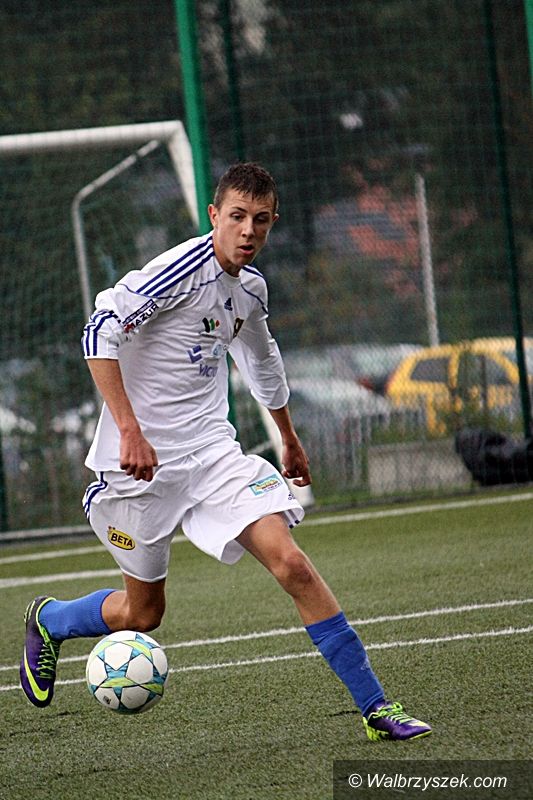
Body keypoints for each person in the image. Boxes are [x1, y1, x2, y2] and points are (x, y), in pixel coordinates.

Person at [20, 162, 431, 741]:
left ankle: (377, 708)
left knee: (292, 565)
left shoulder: (251, 290)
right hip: (140, 468)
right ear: (214, 215)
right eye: (237, 216)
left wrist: (288, 436)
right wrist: (130, 430)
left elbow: (262, 361)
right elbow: (98, 332)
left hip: (214, 457)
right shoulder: (180, 271)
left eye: (260, 220)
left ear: (272, 222)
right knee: (143, 615)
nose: (248, 230)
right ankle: (51, 619)